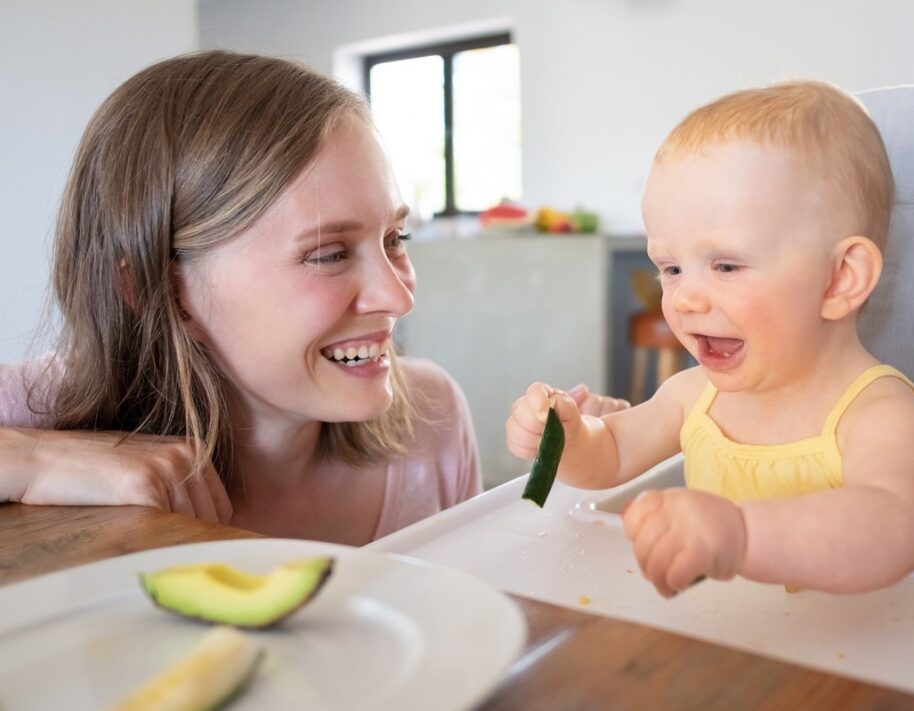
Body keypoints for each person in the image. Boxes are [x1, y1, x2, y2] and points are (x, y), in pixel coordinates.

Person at [0, 50, 623, 546]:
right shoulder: (38, 413)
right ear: (159, 290)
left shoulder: (430, 419)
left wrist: (585, 497)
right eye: (328, 254)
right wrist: (33, 461)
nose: (397, 297)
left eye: (395, 238)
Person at [507, 80, 914, 596]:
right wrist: (567, 440)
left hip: (895, 661)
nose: (684, 299)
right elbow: (610, 454)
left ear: (840, 279)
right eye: (671, 267)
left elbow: (891, 531)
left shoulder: (882, 414)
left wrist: (741, 534)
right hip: (747, 651)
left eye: (725, 265)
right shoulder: (693, 397)